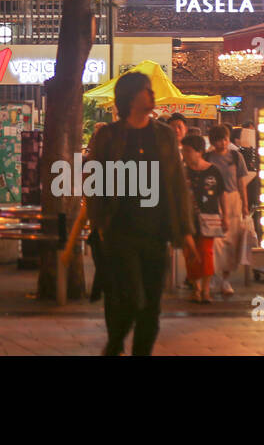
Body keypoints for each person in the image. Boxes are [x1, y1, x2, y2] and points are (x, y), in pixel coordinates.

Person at [85, 70, 195, 356]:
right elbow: (94, 181)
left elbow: (177, 185)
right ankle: (115, 342)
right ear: (131, 97)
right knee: (131, 297)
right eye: (146, 90)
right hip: (119, 231)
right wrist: (99, 224)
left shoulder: (165, 135)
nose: (152, 95)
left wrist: (185, 231)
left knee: (152, 305)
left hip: (156, 232)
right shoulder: (108, 136)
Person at [181, 134, 227, 304]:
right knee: (190, 254)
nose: (185, 154)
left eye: (188, 151)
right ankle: (196, 288)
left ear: (199, 151)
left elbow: (221, 194)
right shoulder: (181, 171)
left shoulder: (213, 170)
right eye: (183, 150)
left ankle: (206, 289)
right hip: (187, 218)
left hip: (210, 217)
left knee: (206, 253)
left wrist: (226, 216)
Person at [205, 124, 249, 298]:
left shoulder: (236, 157)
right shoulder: (207, 157)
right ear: (212, 141)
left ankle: (225, 279)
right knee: (214, 241)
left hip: (233, 200)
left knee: (232, 242)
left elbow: (241, 183)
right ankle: (214, 275)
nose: (222, 143)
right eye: (218, 139)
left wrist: (245, 205)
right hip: (213, 202)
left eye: (224, 139)